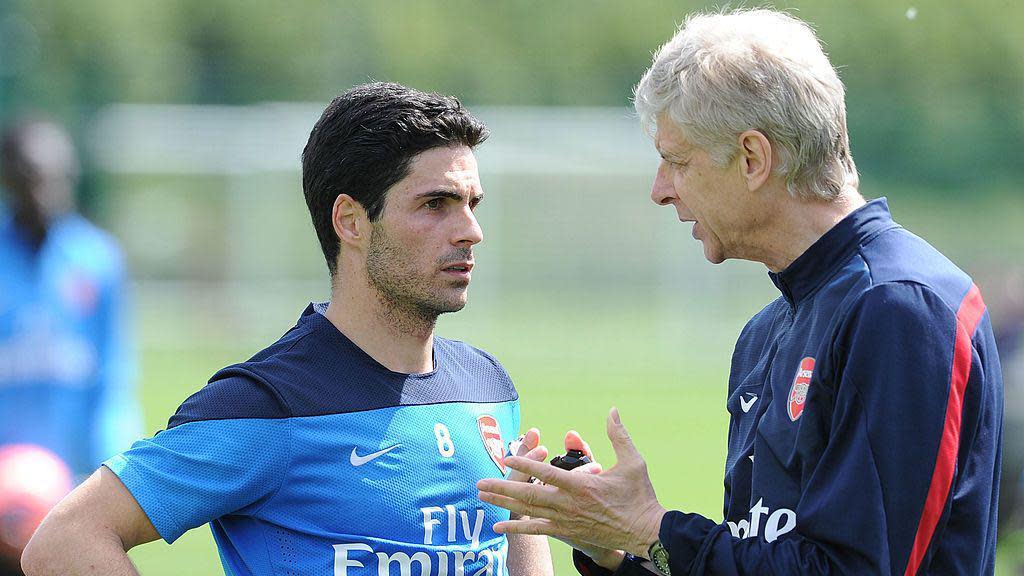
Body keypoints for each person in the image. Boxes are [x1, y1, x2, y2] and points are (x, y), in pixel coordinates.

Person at [478, 9, 1003, 576]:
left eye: (676, 162)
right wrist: (618, 551)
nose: (660, 191)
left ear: (753, 159)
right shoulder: (766, 332)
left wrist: (653, 529)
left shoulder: (899, 307)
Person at [22, 83, 553, 575]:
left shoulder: (487, 386)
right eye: (435, 204)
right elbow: (66, 539)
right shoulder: (269, 404)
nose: (471, 231)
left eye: (471, 204)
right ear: (350, 221)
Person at [0, 120, 140, 575]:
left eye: (55, 178)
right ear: (9, 178)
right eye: (30, 178)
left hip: (66, 497)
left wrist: (109, 471)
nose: (44, 191)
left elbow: (112, 378)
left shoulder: (96, 259)